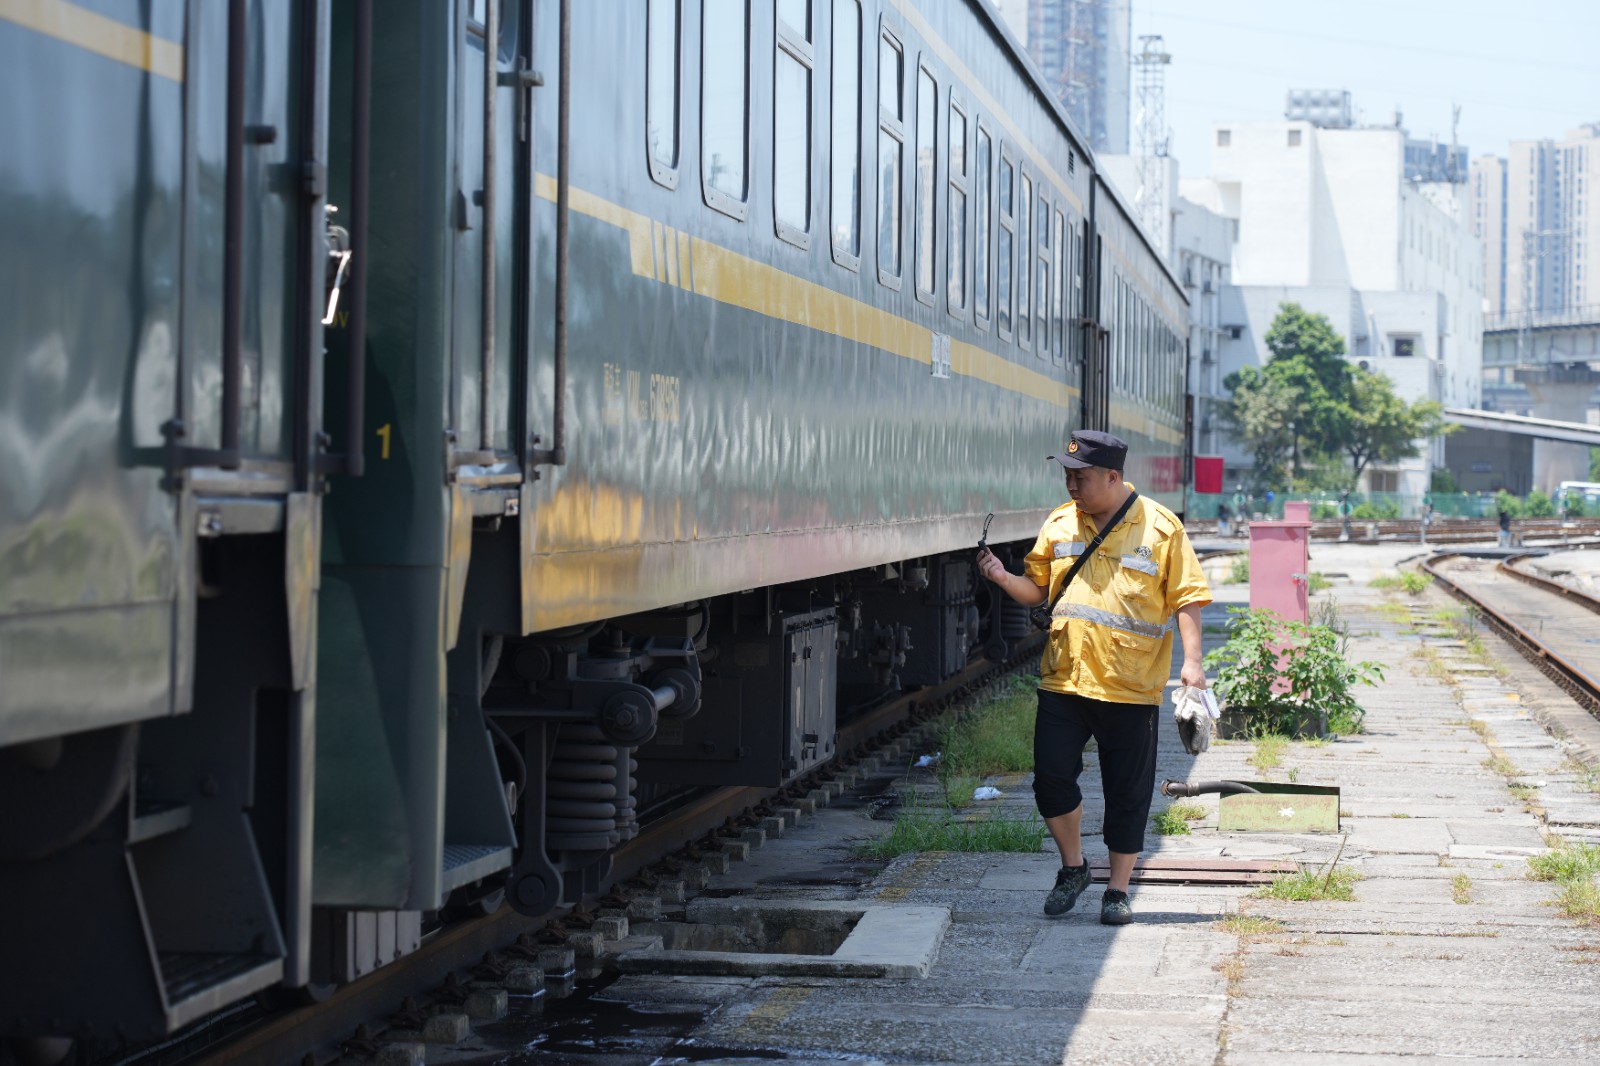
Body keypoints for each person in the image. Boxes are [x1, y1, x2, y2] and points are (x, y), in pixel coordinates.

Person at [976, 430, 1213, 926]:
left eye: (1080, 477)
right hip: (1065, 679)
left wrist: (1193, 663)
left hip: (1131, 685)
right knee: (1050, 781)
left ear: (1112, 476)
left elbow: (1188, 598)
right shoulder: (1060, 522)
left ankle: (1118, 890)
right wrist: (1001, 577)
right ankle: (1073, 868)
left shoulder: (1160, 528)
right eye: (1067, 476)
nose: (1071, 486)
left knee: (1127, 793)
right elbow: (1038, 589)